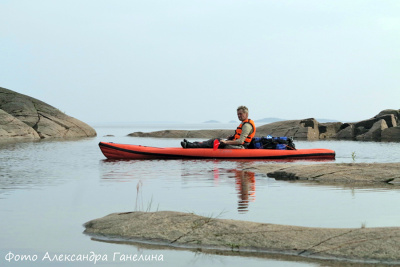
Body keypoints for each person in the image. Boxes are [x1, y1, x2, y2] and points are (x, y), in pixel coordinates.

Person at [181, 106, 256, 149]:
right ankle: (191, 144)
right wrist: (231, 137)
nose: (239, 116)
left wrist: (226, 142)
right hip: (237, 145)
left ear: (246, 114)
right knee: (214, 140)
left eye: (240, 114)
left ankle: (189, 145)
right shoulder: (243, 123)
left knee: (215, 142)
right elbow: (238, 137)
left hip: (241, 147)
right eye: (238, 114)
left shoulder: (247, 125)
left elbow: (241, 141)